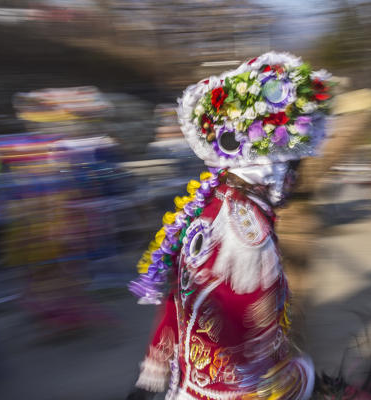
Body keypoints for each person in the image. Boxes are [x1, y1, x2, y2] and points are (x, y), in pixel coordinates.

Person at [126, 52, 332, 400]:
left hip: (187, 388)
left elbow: (176, 301)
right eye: (294, 167)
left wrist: (152, 373)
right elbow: (253, 339)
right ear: (274, 169)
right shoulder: (250, 236)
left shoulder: (207, 206)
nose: (297, 179)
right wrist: (293, 380)